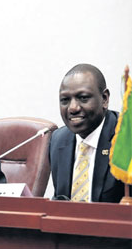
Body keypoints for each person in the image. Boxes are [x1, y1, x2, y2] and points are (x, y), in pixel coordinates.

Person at [49, 63, 125, 203]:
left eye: (83, 98)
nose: (73, 108)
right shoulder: (58, 140)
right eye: (65, 100)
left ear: (104, 99)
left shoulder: (125, 138)